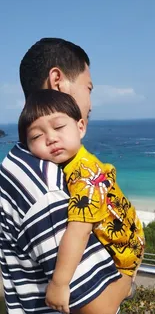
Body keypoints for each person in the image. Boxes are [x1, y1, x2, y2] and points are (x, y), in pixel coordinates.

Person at [0, 38, 132, 314]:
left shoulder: (30, 162)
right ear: (58, 80)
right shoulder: (44, 185)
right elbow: (100, 309)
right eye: (89, 89)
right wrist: (128, 280)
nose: (91, 103)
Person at [18, 89, 145, 313]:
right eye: (37, 136)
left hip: (124, 251)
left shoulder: (84, 175)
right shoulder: (75, 162)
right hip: (131, 235)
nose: (51, 138)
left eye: (58, 127)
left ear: (81, 127)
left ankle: (126, 289)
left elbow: (79, 231)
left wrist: (59, 283)